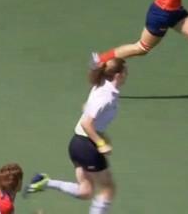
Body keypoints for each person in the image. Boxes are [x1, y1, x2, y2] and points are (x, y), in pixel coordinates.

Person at [24, 58, 128, 214]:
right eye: (126, 72)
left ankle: (45, 182)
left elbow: (87, 109)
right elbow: (87, 123)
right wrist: (101, 143)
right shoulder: (105, 95)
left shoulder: (101, 86)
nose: (127, 75)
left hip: (77, 144)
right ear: (119, 75)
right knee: (108, 189)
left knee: (86, 191)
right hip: (87, 147)